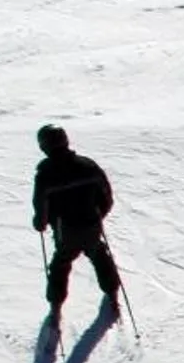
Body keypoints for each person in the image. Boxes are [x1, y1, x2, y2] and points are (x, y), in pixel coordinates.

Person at [32, 124, 120, 318]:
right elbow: (106, 196)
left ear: (44, 147)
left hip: (66, 231)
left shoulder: (45, 174)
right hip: (91, 225)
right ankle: (113, 294)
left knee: (60, 265)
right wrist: (98, 215)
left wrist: (41, 222)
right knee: (100, 256)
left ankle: (56, 308)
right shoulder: (87, 166)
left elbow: (41, 207)